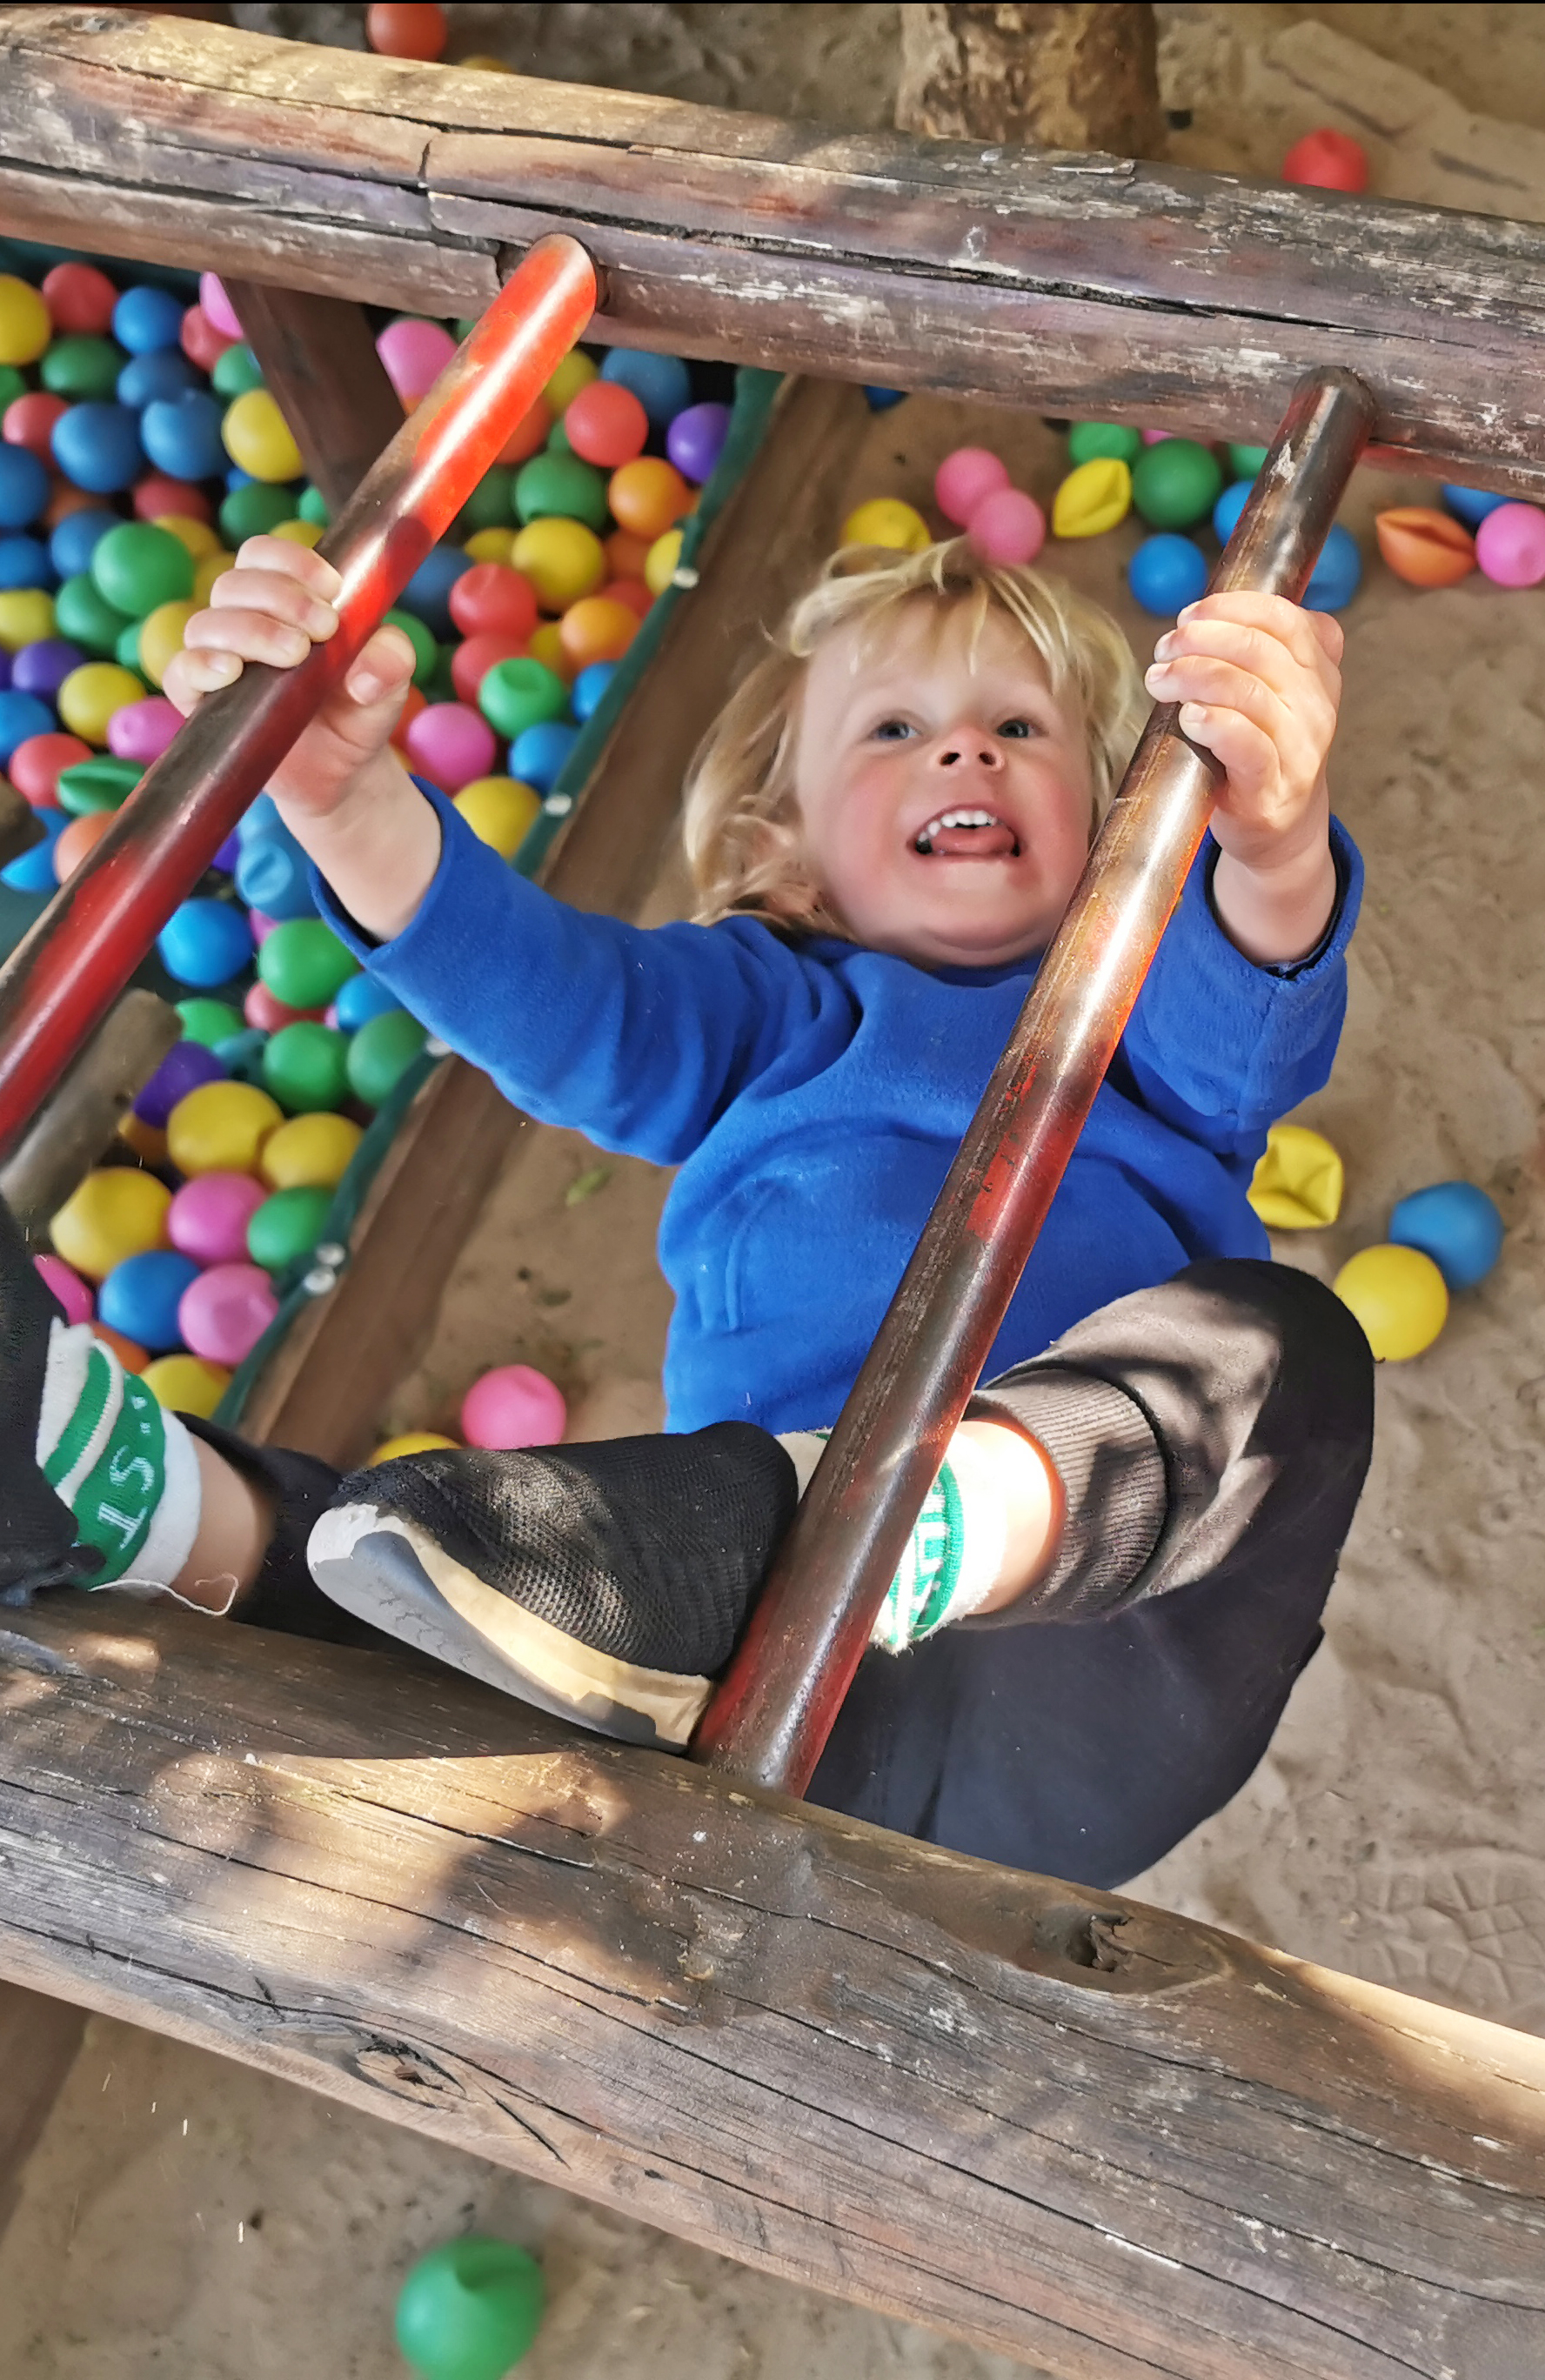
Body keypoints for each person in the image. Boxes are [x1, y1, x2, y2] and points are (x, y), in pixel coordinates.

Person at [0, 533, 1372, 1888]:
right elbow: (561, 998)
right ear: (792, 846)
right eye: (896, 728)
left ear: (1114, 822)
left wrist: (1268, 838)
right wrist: (347, 800)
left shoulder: (1143, 1018)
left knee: (1282, 1351)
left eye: (1020, 725)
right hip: (765, 1668)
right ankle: (161, 1508)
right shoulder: (766, 1007)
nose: (967, 752)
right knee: (436, 1585)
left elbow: (1253, 1000)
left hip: (1084, 1691)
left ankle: (894, 1530)